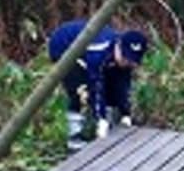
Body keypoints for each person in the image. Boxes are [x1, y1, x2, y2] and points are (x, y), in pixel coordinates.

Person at [48, 19, 148, 151]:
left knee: (112, 84)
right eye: (124, 58)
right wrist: (101, 118)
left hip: (88, 52)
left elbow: (122, 86)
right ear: (118, 46)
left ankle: (109, 126)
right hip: (64, 47)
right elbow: (96, 85)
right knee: (81, 89)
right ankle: (75, 137)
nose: (127, 63)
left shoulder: (124, 60)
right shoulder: (99, 51)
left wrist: (125, 113)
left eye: (131, 60)